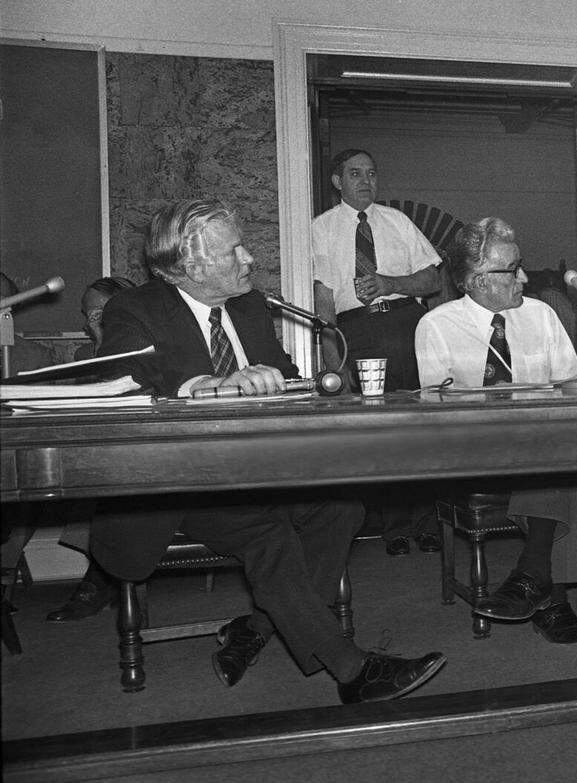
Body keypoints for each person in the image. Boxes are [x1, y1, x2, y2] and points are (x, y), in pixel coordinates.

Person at [91, 199, 445, 702]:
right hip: (175, 483)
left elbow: (282, 374)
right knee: (267, 531)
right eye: (234, 249)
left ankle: (257, 626)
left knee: (341, 507)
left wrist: (306, 388)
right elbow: (118, 385)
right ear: (191, 267)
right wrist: (206, 385)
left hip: (256, 470)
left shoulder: (250, 305)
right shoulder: (135, 310)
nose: (249, 259)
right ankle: (352, 671)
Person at [415, 217, 577, 644]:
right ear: (476, 280)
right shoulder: (437, 325)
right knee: (555, 458)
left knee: (556, 451)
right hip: (472, 453)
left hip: (540, 447)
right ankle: (549, 595)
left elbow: (572, 386)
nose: (524, 278)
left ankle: (535, 579)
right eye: (512, 269)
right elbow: (434, 409)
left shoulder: (543, 316)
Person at [311, 148, 443, 557]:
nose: (366, 180)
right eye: (355, 173)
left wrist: (389, 282)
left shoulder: (397, 221)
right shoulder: (319, 229)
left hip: (407, 325)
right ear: (337, 181)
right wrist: (336, 366)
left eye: (371, 172)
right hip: (358, 331)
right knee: (384, 433)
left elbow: (431, 280)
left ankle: (428, 522)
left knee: (421, 428)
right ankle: (395, 529)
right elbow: (324, 304)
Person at [45, 276, 137, 622]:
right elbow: (93, 403)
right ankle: (107, 574)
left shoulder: (155, 344)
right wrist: (101, 342)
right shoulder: (86, 355)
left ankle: (104, 577)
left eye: (99, 312)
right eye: (88, 315)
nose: (90, 322)